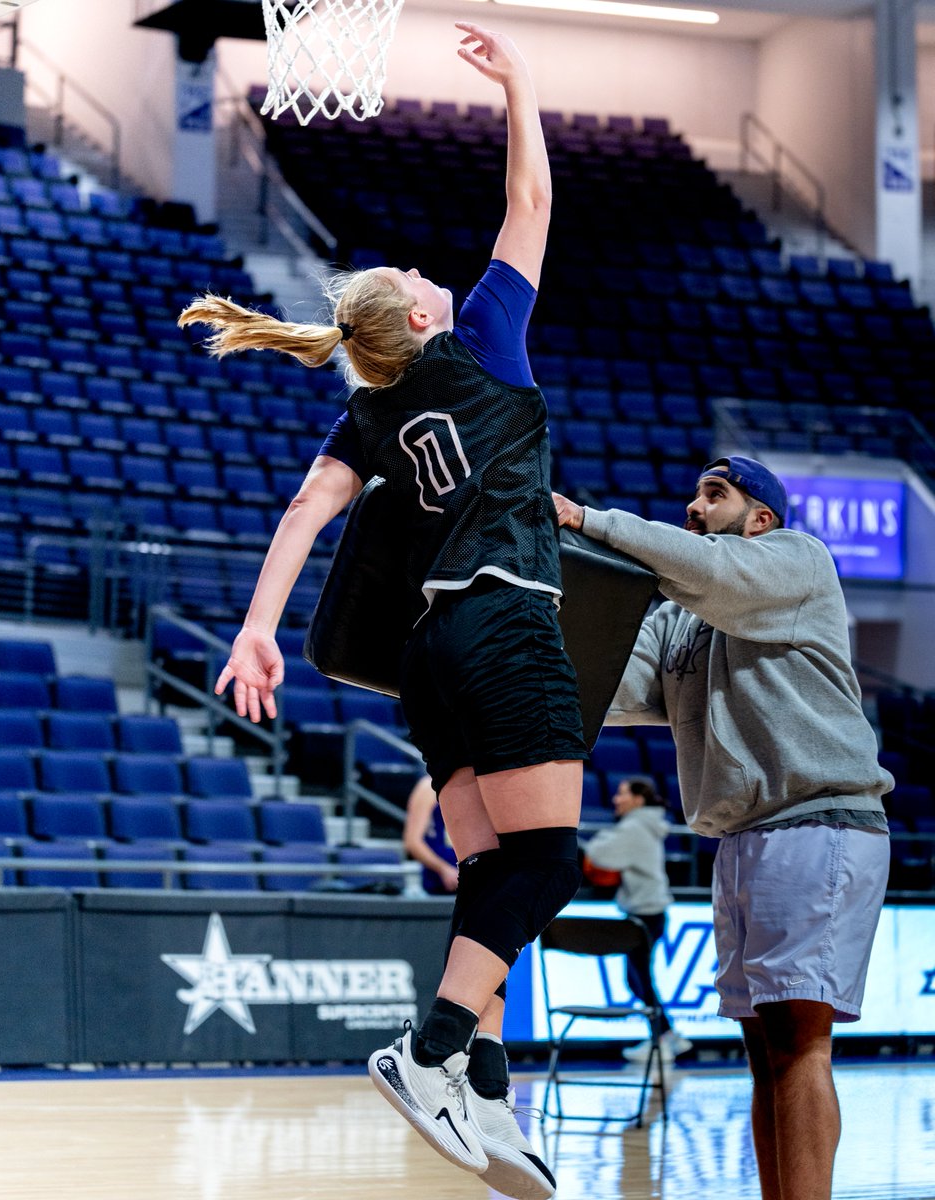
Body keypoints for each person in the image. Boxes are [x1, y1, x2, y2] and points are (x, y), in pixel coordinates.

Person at [179, 24, 586, 1200]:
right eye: (413, 281)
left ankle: (488, 1092)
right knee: (550, 862)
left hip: (427, 660)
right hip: (507, 622)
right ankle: (437, 1047)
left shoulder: (367, 418)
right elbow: (532, 195)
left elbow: (307, 515)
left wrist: (259, 626)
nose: (427, 274)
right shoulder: (488, 340)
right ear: (415, 323)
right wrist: (519, 84)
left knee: (491, 867)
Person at [554, 456, 891, 1200]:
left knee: (801, 1044)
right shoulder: (679, 616)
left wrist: (590, 520)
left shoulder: (796, 561)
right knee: (764, 1050)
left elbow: (712, 573)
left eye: (716, 494)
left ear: (761, 518)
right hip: (741, 840)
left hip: (818, 822)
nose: (694, 504)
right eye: (697, 493)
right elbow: (606, 682)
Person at [583, 776, 692, 1063]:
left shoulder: (634, 827)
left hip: (645, 913)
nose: (615, 799)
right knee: (638, 979)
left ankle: (665, 1039)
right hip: (649, 912)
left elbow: (601, 855)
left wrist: (597, 841)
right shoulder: (643, 824)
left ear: (638, 800)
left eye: (622, 794)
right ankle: (667, 1036)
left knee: (638, 979)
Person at [403, 774, 459, 895]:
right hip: (440, 880)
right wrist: (443, 869)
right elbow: (413, 842)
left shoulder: (475, 784)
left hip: (472, 876)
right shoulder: (428, 787)